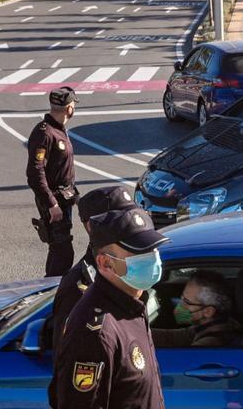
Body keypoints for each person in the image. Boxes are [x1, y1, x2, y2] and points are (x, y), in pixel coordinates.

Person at [50, 208, 169, 409]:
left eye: (153, 249)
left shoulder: (132, 303)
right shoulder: (95, 332)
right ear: (105, 263)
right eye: (140, 253)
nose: (152, 258)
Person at [50, 185, 140, 351]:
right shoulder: (79, 288)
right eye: (121, 219)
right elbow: (69, 354)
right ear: (91, 226)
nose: (133, 222)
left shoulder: (132, 268)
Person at [26, 86, 80, 277]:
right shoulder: (45, 134)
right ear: (69, 109)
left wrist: (76, 196)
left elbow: (61, 170)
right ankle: (52, 295)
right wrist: (52, 204)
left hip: (63, 198)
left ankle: (52, 291)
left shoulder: (57, 130)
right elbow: (34, 173)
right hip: (54, 202)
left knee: (60, 249)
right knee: (62, 253)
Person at [151, 273, 241, 348]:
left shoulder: (208, 344)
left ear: (208, 312)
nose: (180, 305)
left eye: (187, 302)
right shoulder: (212, 326)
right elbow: (170, 338)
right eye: (182, 298)